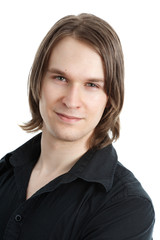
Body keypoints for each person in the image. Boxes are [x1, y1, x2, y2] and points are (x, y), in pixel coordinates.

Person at [0, 13, 155, 239]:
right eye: (60, 78)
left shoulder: (127, 208)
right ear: (38, 82)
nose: (71, 101)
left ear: (110, 97)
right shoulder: (5, 172)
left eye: (91, 84)